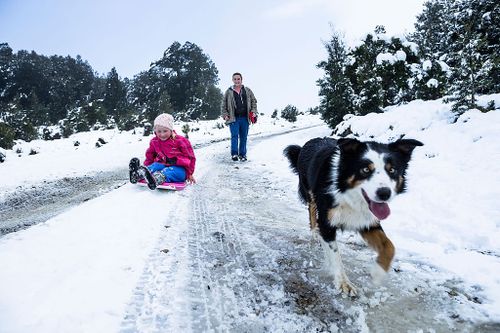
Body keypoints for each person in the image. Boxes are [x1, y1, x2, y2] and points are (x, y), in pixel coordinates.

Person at [129, 113, 196, 190]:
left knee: (171, 171)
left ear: (170, 130)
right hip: (162, 165)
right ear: (155, 131)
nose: (162, 134)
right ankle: (138, 174)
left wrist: (190, 173)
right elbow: (150, 156)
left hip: (180, 169)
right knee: (156, 165)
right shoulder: (154, 141)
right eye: (159, 131)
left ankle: (156, 179)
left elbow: (190, 158)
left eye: (165, 131)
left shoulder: (180, 141)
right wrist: (147, 167)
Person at [222, 72, 258, 162]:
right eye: (235, 79)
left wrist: (253, 111)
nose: (237, 81)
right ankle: (234, 154)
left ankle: (242, 155)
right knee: (234, 136)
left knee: (243, 137)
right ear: (232, 80)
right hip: (233, 118)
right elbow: (224, 104)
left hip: (245, 118)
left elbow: (254, 101)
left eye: (238, 79)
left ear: (241, 80)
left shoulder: (247, 90)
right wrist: (225, 114)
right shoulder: (229, 91)